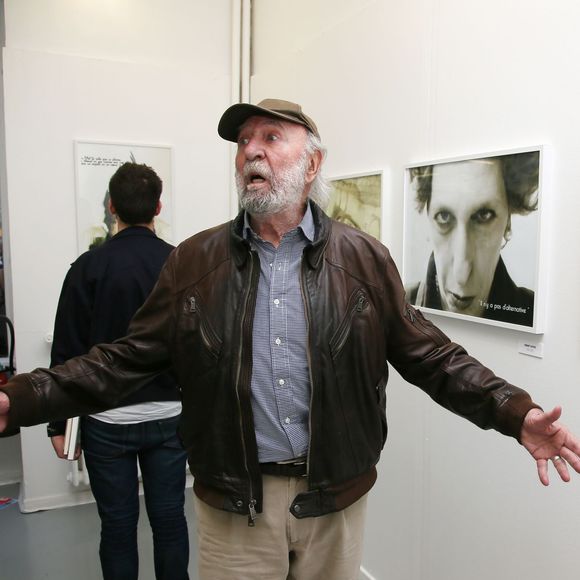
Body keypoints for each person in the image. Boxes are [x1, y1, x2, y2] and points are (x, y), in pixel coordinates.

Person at [0, 99, 579, 580]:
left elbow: (431, 356)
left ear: (311, 163)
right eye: (244, 142)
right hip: (235, 505)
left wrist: (513, 411)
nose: (251, 150)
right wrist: (19, 399)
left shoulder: (363, 259)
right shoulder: (193, 262)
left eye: (271, 137)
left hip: (335, 498)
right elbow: (120, 362)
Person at [46, 162, 189, 580]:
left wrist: (58, 425)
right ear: (158, 207)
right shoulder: (182, 264)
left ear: (111, 206)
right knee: (170, 522)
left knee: (118, 527)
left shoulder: (87, 268)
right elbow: (201, 346)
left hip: (106, 420)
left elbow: (68, 353)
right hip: (169, 418)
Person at [405, 152, 539, 326]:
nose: (462, 274)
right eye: (444, 217)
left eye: (484, 215)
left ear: (508, 223)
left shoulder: (532, 312)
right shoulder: (399, 305)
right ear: (428, 217)